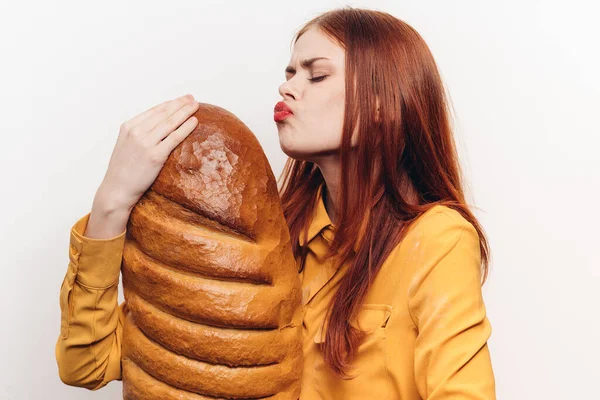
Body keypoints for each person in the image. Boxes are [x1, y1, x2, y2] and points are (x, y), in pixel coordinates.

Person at [56, 6, 496, 399]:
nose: (288, 89)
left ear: (382, 104)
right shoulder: (273, 239)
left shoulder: (436, 241)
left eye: (316, 75)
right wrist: (113, 202)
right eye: (289, 74)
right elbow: (86, 365)